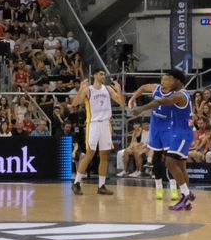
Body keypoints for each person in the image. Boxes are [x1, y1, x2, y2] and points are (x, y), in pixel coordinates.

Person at [130, 70, 194, 211]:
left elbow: (162, 101)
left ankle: (186, 195)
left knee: (170, 162)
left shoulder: (179, 95)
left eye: (170, 79)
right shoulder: (174, 92)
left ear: (177, 81)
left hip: (181, 133)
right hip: (178, 132)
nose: (166, 82)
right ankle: (186, 197)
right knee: (180, 166)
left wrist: (141, 108)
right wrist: (133, 99)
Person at [70, 70, 122, 196]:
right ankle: (76, 183)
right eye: (100, 74)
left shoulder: (108, 89)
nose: (103, 76)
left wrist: (119, 90)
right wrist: (81, 89)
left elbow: (121, 102)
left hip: (105, 124)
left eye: (104, 74)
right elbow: (75, 103)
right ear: (94, 75)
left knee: (104, 155)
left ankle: (101, 186)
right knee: (89, 154)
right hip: (93, 124)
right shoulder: (88, 89)